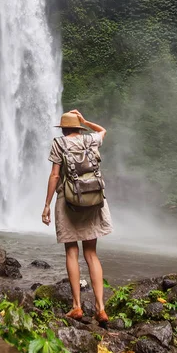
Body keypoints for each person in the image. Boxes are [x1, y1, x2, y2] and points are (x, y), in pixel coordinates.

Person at [42, 109, 113, 325]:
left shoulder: (59, 143)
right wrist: (86, 121)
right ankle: (101, 308)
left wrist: (46, 205)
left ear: (63, 128)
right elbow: (103, 130)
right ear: (79, 127)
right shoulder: (91, 139)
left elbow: (55, 175)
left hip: (69, 200)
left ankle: (77, 307)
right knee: (91, 253)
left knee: (71, 252)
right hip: (93, 199)